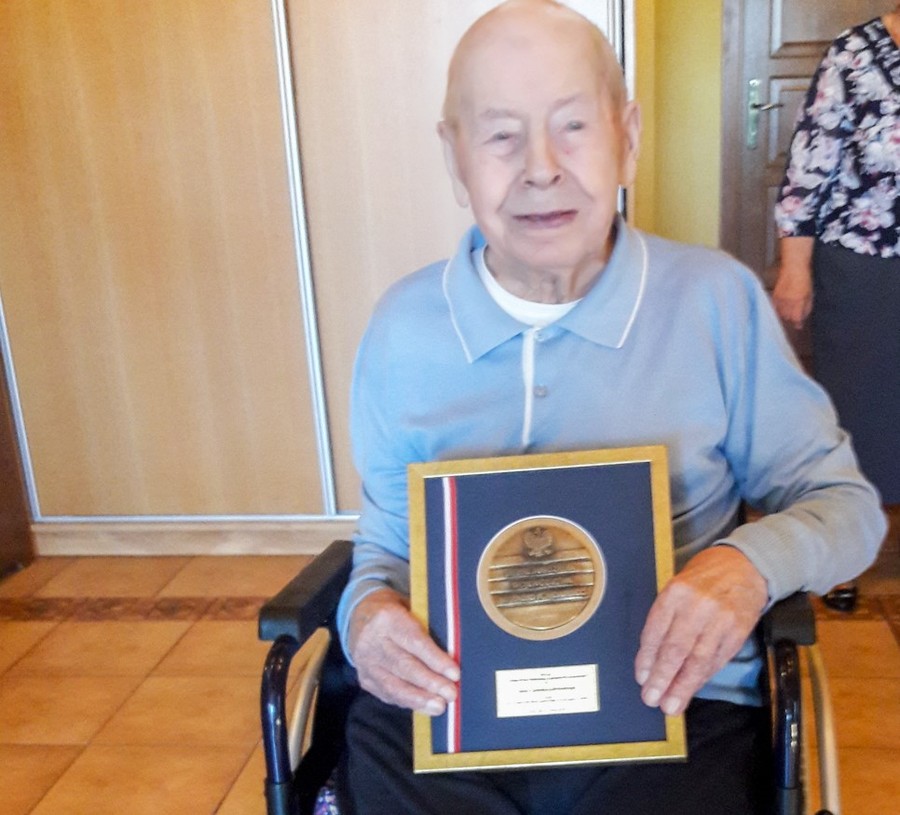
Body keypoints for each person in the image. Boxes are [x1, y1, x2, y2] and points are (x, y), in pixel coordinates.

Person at [335, 2, 886, 813]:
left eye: (573, 126)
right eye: (500, 136)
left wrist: (746, 565)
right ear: (454, 157)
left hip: (678, 705)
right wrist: (367, 616)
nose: (541, 168)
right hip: (450, 709)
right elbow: (385, 544)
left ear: (627, 136)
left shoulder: (714, 301)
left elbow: (848, 508)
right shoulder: (402, 328)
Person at [773, 6, 900, 610]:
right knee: (857, 411)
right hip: (861, 263)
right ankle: (848, 551)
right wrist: (794, 268)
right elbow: (809, 168)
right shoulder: (853, 54)